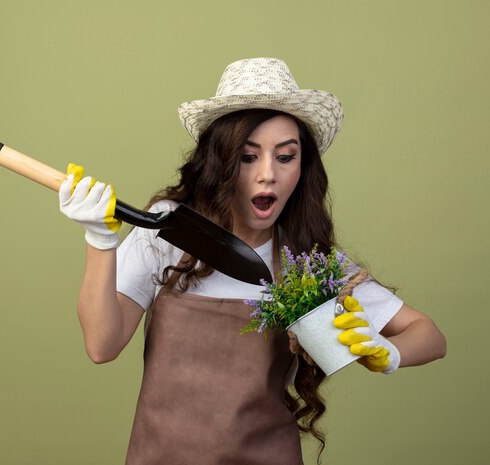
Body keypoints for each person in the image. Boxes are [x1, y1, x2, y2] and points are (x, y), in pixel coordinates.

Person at [58, 58, 447, 465]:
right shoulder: (168, 233)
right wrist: (99, 240)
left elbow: (431, 336)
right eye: (247, 157)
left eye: (285, 156)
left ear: (303, 167)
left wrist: (385, 352)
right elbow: (102, 345)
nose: (267, 175)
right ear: (219, 162)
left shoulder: (308, 265)